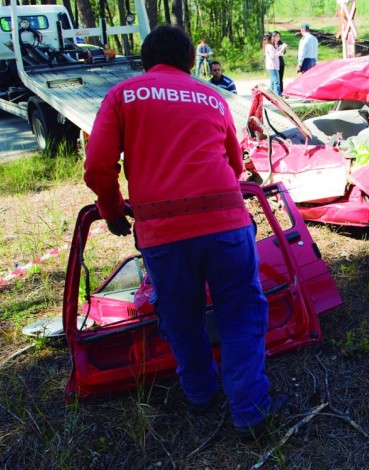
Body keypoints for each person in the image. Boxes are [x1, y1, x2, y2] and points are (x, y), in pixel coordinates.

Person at [83, 25, 286, 440]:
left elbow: (98, 165)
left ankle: (200, 396)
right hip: (226, 225)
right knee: (241, 313)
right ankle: (250, 411)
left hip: (163, 234)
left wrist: (111, 210)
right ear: (191, 60)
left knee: (181, 318)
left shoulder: (123, 95)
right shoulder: (211, 96)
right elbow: (234, 164)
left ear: (145, 59)